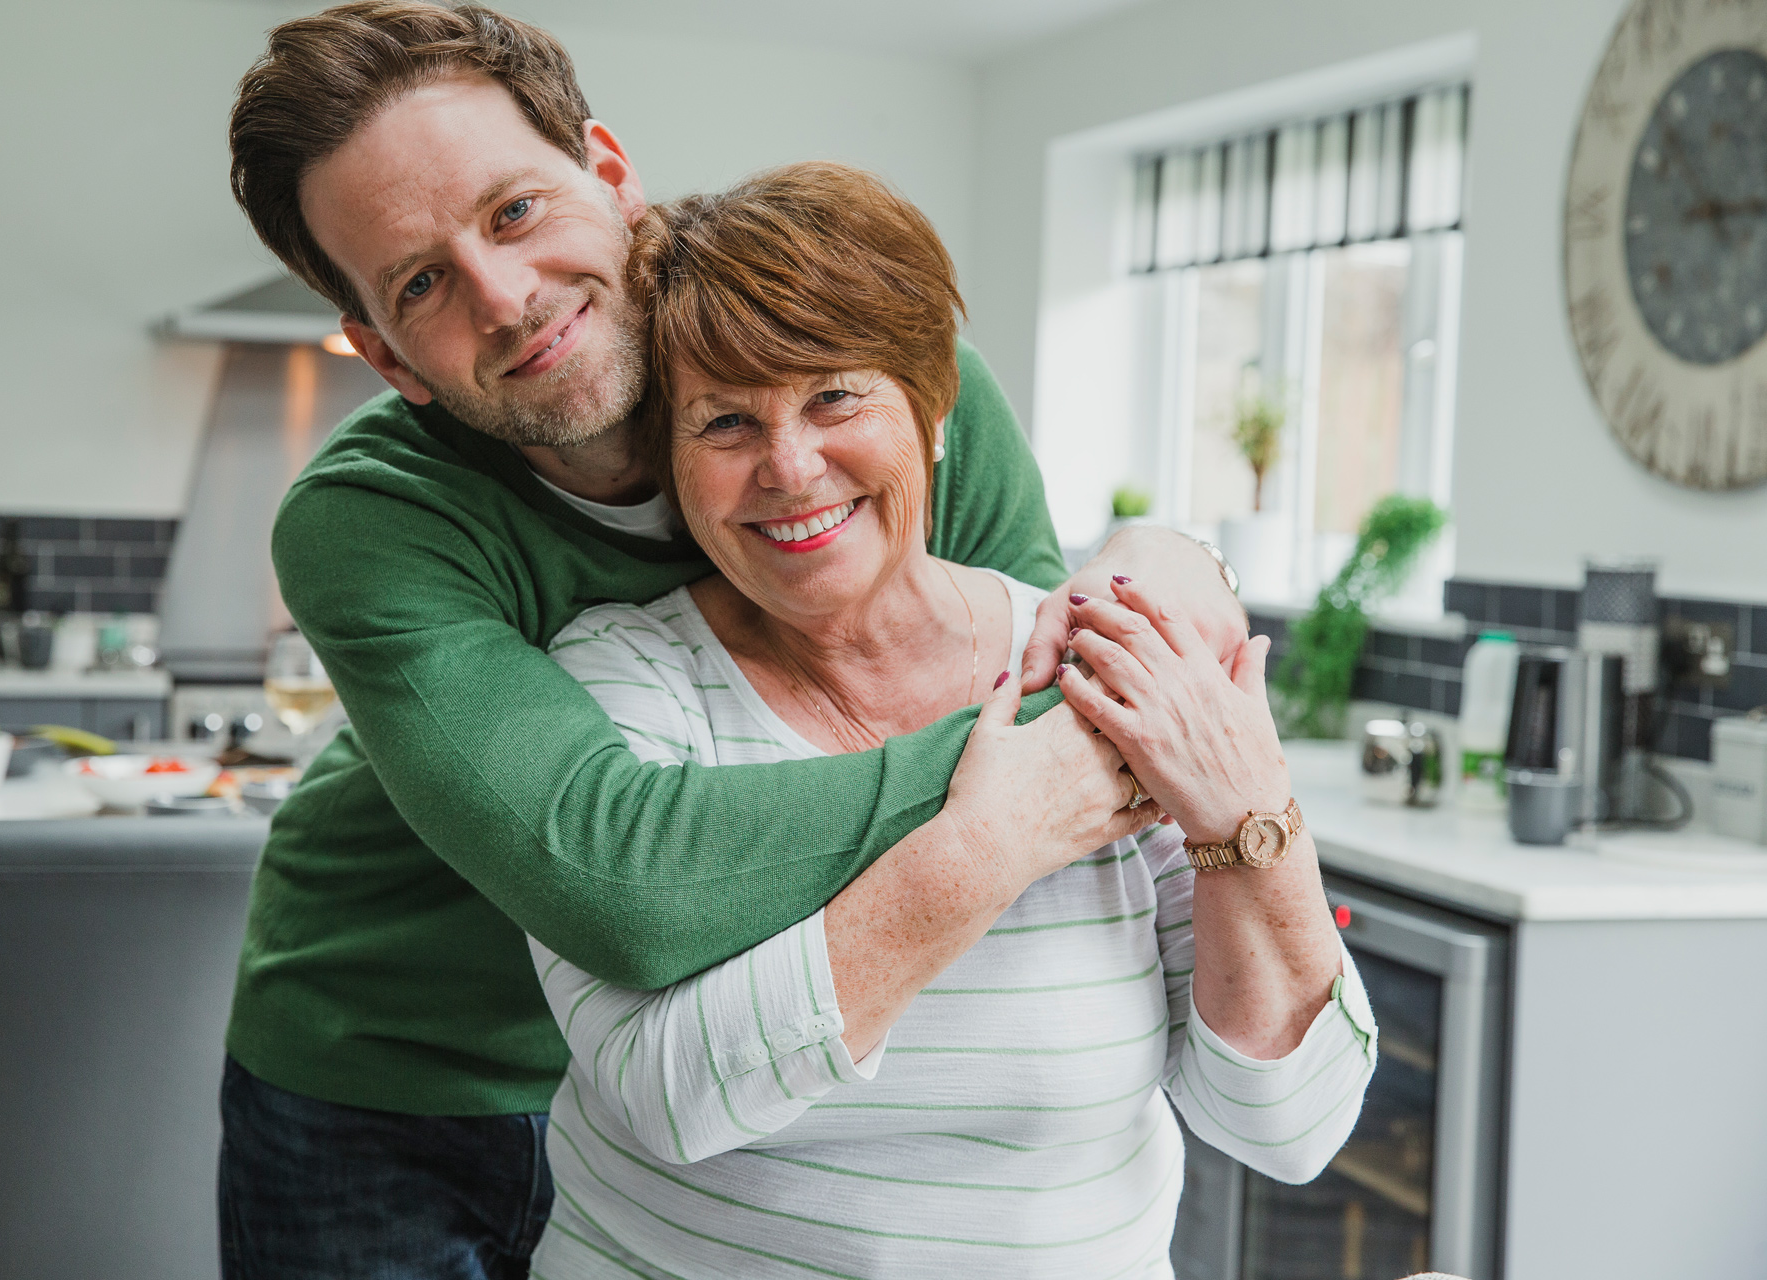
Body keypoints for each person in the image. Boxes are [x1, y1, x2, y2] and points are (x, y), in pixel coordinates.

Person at [216, 4, 1248, 1275]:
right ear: (385, 356)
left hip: (714, 1088)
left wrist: (1175, 568)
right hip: (391, 1076)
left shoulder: (881, 379)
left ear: (610, 174)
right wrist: (1064, 757)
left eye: (515, 211)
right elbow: (625, 880)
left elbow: (1021, 674)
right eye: (421, 282)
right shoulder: (371, 518)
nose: (505, 296)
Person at [527, 163, 1375, 1278]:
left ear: (932, 418)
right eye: (726, 420)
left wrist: (1251, 825)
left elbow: (1288, 1128)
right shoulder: (621, 684)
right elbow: (668, 1094)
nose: (789, 466)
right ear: (675, 466)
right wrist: (988, 844)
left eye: (837, 396)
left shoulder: (1099, 662)